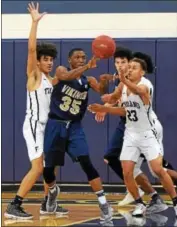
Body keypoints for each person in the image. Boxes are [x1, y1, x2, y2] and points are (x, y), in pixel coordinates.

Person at [88, 58, 177, 217]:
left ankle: (175, 202)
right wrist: (103, 104)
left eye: (133, 68)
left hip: (148, 132)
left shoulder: (145, 84)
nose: (129, 70)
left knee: (157, 169)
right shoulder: (123, 85)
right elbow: (120, 106)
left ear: (142, 72)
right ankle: (140, 204)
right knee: (127, 171)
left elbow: (139, 91)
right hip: (131, 133)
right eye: (128, 68)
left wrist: (122, 80)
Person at [4, 2, 67, 219]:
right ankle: (14, 205)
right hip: (33, 125)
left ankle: (48, 204)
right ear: (38, 62)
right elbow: (31, 49)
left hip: (48, 127)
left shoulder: (50, 80)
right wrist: (34, 22)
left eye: (51, 59)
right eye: (45, 59)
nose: (49, 63)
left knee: (50, 167)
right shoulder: (35, 75)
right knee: (38, 167)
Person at [42, 48, 113, 222]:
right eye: (77, 57)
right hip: (55, 125)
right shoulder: (61, 71)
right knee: (48, 169)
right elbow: (67, 77)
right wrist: (88, 66)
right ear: (69, 59)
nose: (81, 59)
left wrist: (104, 82)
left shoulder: (88, 80)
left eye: (84, 57)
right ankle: (52, 193)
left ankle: (103, 204)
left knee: (86, 162)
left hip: (74, 127)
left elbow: (103, 93)